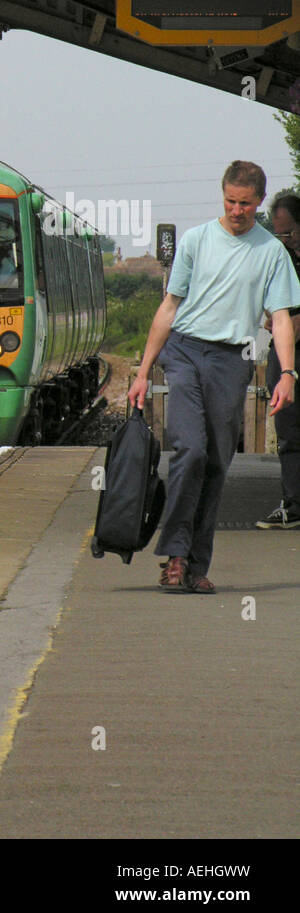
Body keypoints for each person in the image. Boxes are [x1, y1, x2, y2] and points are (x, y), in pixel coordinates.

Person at [127, 161, 300, 593]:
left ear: (259, 201)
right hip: (184, 351)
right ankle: (176, 554)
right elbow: (169, 308)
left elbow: (280, 318)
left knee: (217, 462)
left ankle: (197, 566)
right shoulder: (196, 241)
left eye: (244, 203)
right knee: (191, 450)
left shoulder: (272, 253)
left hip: (233, 360)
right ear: (222, 196)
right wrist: (144, 371)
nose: (236, 210)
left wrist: (288, 374)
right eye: (229, 201)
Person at [256, 192, 300, 527]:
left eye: (289, 233)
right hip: (286, 352)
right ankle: (293, 504)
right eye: (279, 233)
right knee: (287, 428)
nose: (283, 240)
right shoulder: (277, 255)